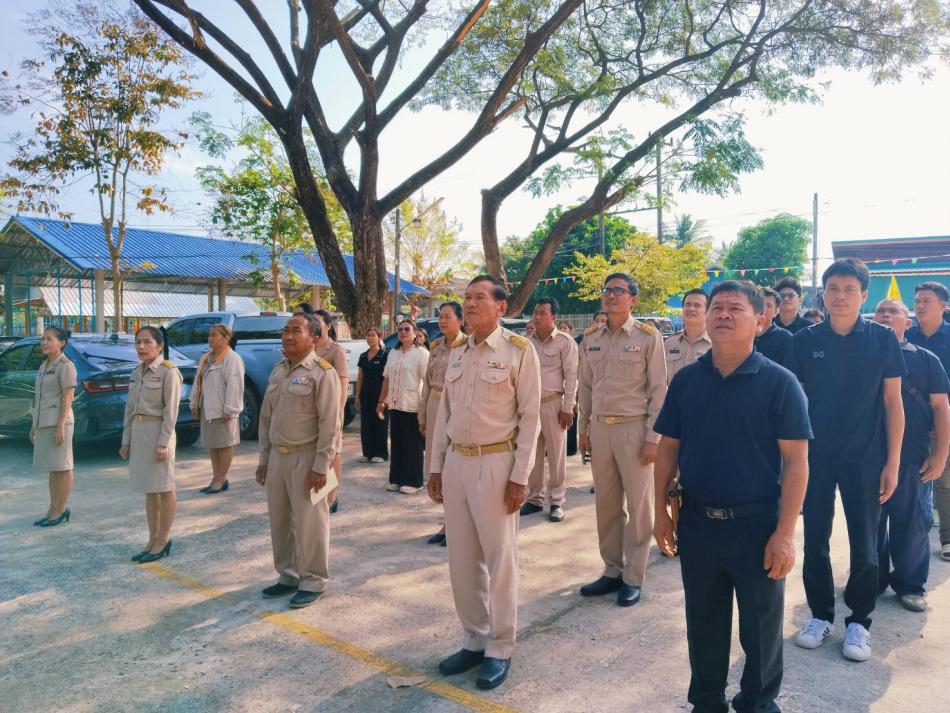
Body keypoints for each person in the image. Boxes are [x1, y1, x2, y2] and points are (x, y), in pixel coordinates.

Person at [654, 280, 811, 713]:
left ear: (760, 321)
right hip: (698, 522)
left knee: (761, 628)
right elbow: (667, 450)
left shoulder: (780, 383)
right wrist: (660, 513)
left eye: (735, 308)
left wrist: (785, 534)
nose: (723, 314)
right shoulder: (687, 380)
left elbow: (797, 463)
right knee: (703, 622)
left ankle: (758, 702)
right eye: (717, 307)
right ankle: (707, 701)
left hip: (757, 526)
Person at [428, 275, 541, 691]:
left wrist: (519, 477)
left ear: (501, 307)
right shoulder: (457, 353)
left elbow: (531, 418)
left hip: (496, 463)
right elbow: (444, 414)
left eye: (479, 297)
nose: (470, 304)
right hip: (458, 463)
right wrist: (436, 467)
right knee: (461, 558)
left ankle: (500, 646)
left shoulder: (518, 351)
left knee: (500, 560)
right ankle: (474, 638)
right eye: (467, 297)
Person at [791, 257, 905, 662]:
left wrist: (892, 463)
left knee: (866, 544)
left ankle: (859, 621)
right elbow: (794, 403)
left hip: (866, 458)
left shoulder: (882, 339)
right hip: (815, 458)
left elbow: (893, 402)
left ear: (864, 295)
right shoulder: (804, 341)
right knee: (815, 541)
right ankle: (820, 614)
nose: (840, 296)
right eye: (833, 288)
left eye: (849, 289)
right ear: (822, 293)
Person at [578, 273, 667, 606]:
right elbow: (585, 387)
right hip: (601, 429)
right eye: (607, 290)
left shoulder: (648, 337)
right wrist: (583, 429)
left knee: (639, 507)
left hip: (635, 430)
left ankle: (633, 576)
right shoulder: (591, 338)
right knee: (607, 505)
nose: (611, 295)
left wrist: (653, 438)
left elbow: (659, 391)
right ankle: (612, 570)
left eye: (619, 290)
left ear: (633, 299)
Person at [255, 314, 340, 609]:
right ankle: (288, 574)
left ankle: (313, 580)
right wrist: (264, 459)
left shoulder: (323, 373)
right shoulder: (278, 371)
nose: (288, 336)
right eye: (285, 331)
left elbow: (330, 425)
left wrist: (321, 467)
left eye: (296, 331)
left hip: (308, 457)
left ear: (313, 339)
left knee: (311, 524)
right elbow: (266, 419)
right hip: (278, 457)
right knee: (280, 521)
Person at [873, 299, 950, 612]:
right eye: (881, 311)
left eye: (894, 312)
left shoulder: (926, 359)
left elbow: (941, 407)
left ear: (907, 323)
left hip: (913, 456)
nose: (886, 315)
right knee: (869, 523)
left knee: (913, 523)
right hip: (866, 456)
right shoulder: (861, 356)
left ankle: (910, 585)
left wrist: (941, 454)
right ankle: (873, 578)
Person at [121, 326, 182, 563]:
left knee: (164, 488)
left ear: (160, 346)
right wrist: (126, 440)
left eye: (147, 342)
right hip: (140, 433)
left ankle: (163, 540)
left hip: (159, 433)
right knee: (150, 488)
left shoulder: (168, 372)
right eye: (138, 342)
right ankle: (152, 538)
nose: (141, 347)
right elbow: (130, 410)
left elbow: (171, 411)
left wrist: (163, 442)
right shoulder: (136, 372)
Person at [521, 297, 578, 522]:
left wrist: (568, 407)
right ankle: (534, 499)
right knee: (532, 455)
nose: (537, 316)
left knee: (556, 455)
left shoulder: (565, 342)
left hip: (554, 405)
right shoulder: (526, 343)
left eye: (543, 312)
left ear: (554, 316)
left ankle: (557, 501)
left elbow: (572, 376)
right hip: (530, 406)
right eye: (536, 312)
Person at [906, 281, 950, 562]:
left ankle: (947, 537)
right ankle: (913, 537)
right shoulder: (906, 337)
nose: (920, 306)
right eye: (917, 301)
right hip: (913, 422)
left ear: (943, 306)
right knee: (916, 477)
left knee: (944, 479)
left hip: (944, 417)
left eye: (927, 301)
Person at [420, 302, 467, 545]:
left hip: (456, 408)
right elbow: (427, 383)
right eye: (440, 316)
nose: (442, 320)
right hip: (434, 405)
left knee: (453, 468)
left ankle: (455, 525)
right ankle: (447, 522)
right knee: (436, 466)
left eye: (448, 316)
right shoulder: (435, 347)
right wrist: (422, 415)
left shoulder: (468, 346)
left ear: (460, 320)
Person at [30, 326, 77, 527]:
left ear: (62, 343)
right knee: (53, 468)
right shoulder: (44, 365)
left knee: (63, 467)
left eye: (49, 339)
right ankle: (52, 508)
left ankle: (61, 508)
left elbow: (68, 399)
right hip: (45, 422)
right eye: (43, 339)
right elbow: (39, 398)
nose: (44, 343)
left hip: (60, 423)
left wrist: (60, 426)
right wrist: (34, 425)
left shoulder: (66, 366)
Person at [377, 319, 430, 493]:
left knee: (412, 444)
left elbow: (427, 382)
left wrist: (426, 408)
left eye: (407, 329)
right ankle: (396, 479)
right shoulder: (393, 352)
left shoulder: (422, 353)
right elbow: (386, 378)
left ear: (414, 333)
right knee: (397, 443)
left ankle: (414, 482)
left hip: (413, 405)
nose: (403, 332)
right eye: (400, 329)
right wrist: (381, 401)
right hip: (395, 404)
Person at [191, 324, 244, 494]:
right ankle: (217, 478)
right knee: (213, 444)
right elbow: (198, 382)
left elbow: (235, 385)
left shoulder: (232, 358)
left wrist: (230, 409)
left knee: (225, 444)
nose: (210, 338)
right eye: (209, 335)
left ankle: (220, 480)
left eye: (214, 335)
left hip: (223, 409)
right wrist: (194, 403)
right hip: (208, 407)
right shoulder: (206, 357)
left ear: (226, 338)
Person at [312, 309, 348, 511]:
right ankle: (318, 493)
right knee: (317, 452)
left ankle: (331, 497)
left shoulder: (335, 351)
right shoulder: (309, 347)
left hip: (332, 409)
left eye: (317, 321)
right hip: (312, 410)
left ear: (328, 326)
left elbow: (343, 382)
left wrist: (338, 412)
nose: (314, 324)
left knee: (333, 453)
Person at [663, 288, 711, 385]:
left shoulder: (716, 344)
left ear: (707, 311)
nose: (691, 309)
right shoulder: (669, 343)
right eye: (688, 305)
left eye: (697, 305)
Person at [355, 328, 388, 463]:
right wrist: (357, 396)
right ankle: (367, 452)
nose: (369, 338)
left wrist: (384, 398)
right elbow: (360, 378)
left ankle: (380, 453)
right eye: (368, 335)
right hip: (366, 393)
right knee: (366, 423)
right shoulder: (363, 356)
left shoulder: (384, 355)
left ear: (379, 337)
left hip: (380, 393)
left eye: (373, 335)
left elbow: (387, 378)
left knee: (379, 422)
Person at [754, 287, 794, 370]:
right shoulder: (742, 334)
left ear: (776, 312)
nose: (763, 309)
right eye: (760, 304)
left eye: (768, 305)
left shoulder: (786, 338)